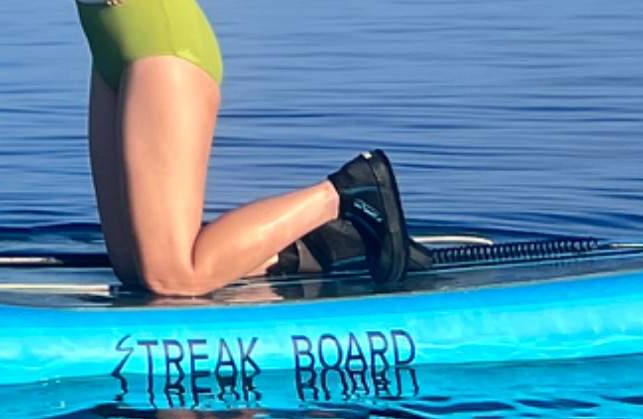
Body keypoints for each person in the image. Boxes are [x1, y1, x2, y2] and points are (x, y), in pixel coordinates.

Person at [78, 0, 425, 296]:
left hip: (162, 46)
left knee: (172, 275)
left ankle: (350, 192)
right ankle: (316, 248)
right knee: (132, 268)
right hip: (110, 43)